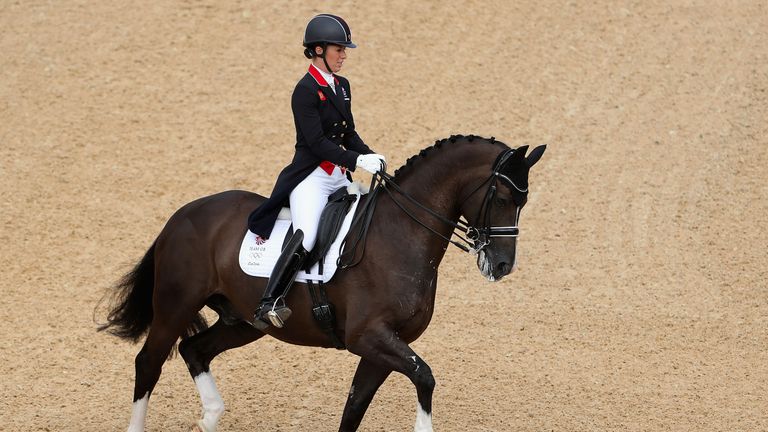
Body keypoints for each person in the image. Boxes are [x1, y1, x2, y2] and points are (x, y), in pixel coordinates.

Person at [247, 14, 386, 328]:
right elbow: (318, 143)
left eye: (344, 50)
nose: (344, 55)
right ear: (319, 50)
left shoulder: (342, 86)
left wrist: (369, 154)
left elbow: (347, 133)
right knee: (307, 234)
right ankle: (269, 301)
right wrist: (357, 161)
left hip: (338, 175)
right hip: (311, 177)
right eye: (339, 49)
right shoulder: (305, 91)